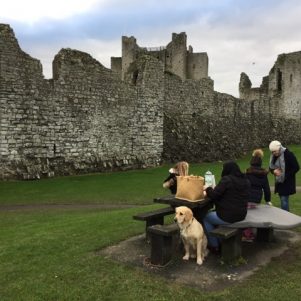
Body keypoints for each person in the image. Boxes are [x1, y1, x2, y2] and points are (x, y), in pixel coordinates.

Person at [203, 161, 250, 253]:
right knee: (214, 215)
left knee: (206, 217)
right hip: (241, 214)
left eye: (223, 168)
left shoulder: (227, 180)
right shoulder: (246, 180)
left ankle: (214, 246)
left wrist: (207, 188)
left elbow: (214, 195)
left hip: (228, 216)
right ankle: (218, 241)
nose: (222, 170)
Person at [243, 149, 272, 241]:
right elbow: (267, 189)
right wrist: (268, 200)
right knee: (253, 213)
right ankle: (250, 232)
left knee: (247, 215)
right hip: (257, 197)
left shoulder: (248, 172)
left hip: (247, 196)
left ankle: (248, 235)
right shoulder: (263, 174)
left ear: (252, 162)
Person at [269, 140, 300, 211]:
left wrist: (285, 175)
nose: (274, 153)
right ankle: (286, 217)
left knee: (284, 200)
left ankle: (286, 218)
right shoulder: (273, 156)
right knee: (282, 199)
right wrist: (274, 171)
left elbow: (296, 167)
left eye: (275, 151)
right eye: (272, 152)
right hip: (279, 182)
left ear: (279, 148)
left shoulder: (288, 154)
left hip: (287, 181)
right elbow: (271, 168)